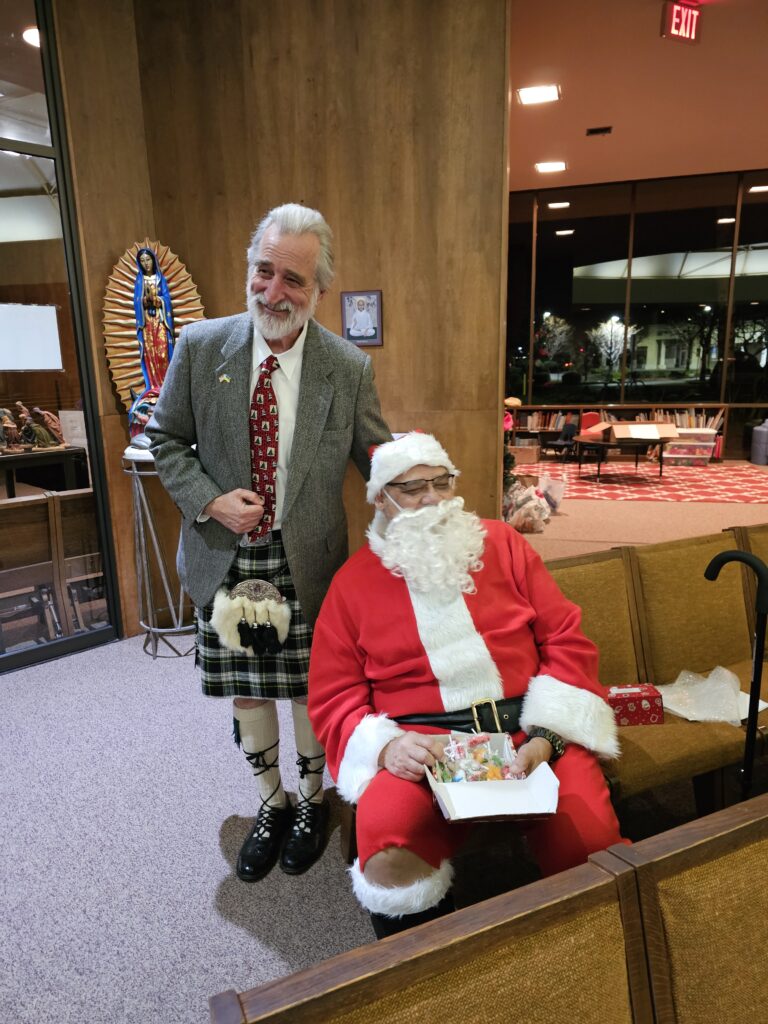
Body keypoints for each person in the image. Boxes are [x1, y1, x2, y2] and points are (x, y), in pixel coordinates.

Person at [147, 202, 391, 884]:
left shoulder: (346, 368)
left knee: (310, 690)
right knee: (248, 693)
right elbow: (164, 440)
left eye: (293, 280)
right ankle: (271, 802)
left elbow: (379, 456)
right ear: (249, 269)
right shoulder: (200, 349)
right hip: (224, 554)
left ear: (319, 291)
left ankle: (312, 804)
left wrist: (427, 492)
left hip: (304, 558)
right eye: (264, 271)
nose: (273, 292)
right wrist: (208, 499)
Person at [308, 432, 626, 938]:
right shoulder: (351, 585)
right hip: (425, 749)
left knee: (590, 843)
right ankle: (434, 972)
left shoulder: (503, 544)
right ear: (380, 501)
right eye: (412, 489)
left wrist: (550, 735)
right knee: (390, 854)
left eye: (441, 482)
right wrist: (387, 747)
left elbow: (565, 637)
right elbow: (333, 696)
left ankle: (592, 959)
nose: (432, 499)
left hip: (530, 730)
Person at [130, 247, 175, 436]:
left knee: (163, 353)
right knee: (150, 355)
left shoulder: (159, 279)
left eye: (148, 260)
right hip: (147, 326)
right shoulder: (140, 281)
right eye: (143, 261)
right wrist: (143, 301)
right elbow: (136, 302)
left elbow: (167, 300)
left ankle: (164, 383)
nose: (146, 263)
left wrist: (159, 301)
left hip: (160, 323)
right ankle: (154, 386)